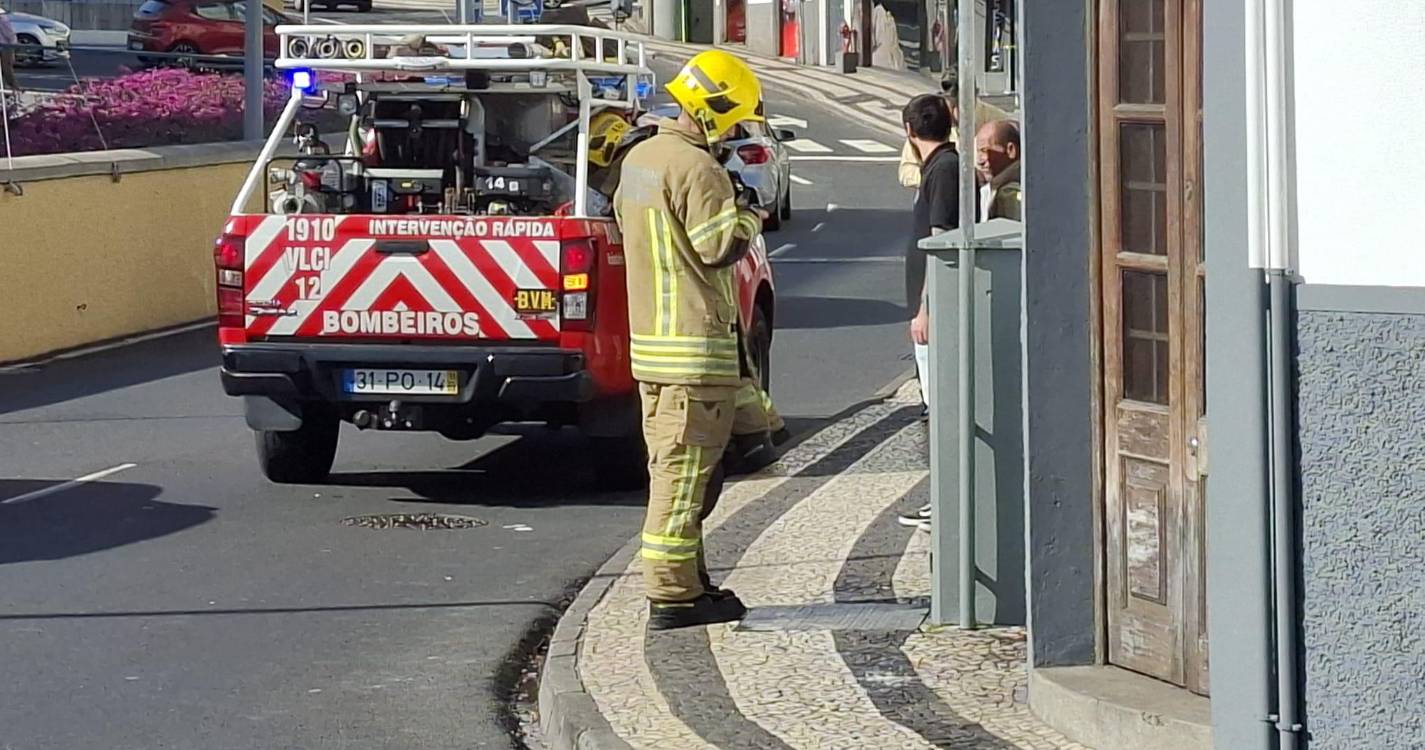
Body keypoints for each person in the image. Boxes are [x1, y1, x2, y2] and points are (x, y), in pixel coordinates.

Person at [613, 49, 766, 631]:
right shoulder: (698, 169)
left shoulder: (641, 159)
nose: (736, 132)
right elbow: (716, 245)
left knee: (680, 471)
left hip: (654, 352)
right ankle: (673, 595)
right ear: (715, 110)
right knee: (681, 484)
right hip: (694, 354)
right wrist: (748, 213)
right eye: (735, 121)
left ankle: (691, 584)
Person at [898, 93, 961, 532]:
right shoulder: (941, 167)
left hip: (932, 314)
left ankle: (946, 503)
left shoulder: (943, 170)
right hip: (928, 311)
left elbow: (939, 246)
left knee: (940, 410)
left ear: (909, 132)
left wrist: (926, 309)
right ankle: (943, 500)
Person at [974, 119, 1022, 221]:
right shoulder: (993, 187)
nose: (979, 161)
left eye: (984, 150)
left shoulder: (1012, 195)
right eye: (978, 152)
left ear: (1011, 150)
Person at [0, 6, 18, 96]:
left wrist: (12, 48)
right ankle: (5, 89)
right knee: (4, 70)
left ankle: (14, 89)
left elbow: (10, 35)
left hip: (6, 47)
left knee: (7, 70)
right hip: (4, 46)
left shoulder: (2, 20)